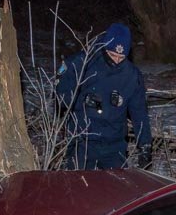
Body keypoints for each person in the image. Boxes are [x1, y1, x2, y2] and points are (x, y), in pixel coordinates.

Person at [56, 23, 152, 170]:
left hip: (114, 143)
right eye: (113, 55)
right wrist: (82, 100)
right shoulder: (82, 63)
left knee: (117, 183)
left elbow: (139, 113)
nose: (116, 61)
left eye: (121, 57)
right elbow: (60, 98)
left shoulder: (132, 75)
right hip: (82, 140)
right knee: (78, 182)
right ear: (104, 47)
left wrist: (145, 145)